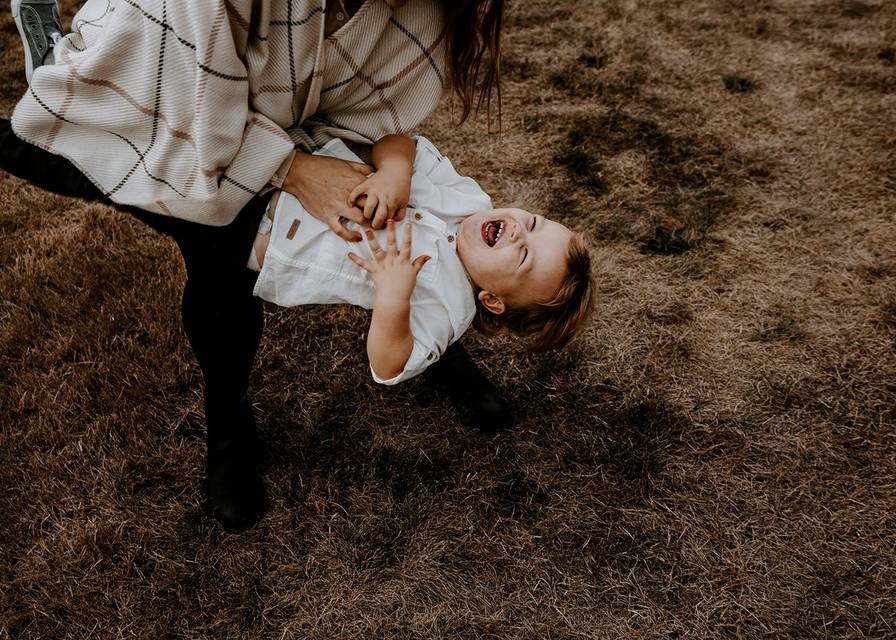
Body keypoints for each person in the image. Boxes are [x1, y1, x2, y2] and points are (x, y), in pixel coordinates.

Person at [2, 0, 510, 530]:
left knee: (399, 216)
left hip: (297, 106)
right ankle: (228, 423)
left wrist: (386, 171)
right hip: (168, 81)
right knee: (211, 238)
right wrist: (292, 167)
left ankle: (437, 333)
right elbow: (182, 100)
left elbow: (385, 118)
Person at [248, 134, 595, 385]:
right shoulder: (469, 199)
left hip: (268, 239)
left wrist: (393, 296)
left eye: (522, 256)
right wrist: (396, 170)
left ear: (491, 299)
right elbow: (402, 142)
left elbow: (388, 367)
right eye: (534, 222)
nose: (521, 231)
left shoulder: (448, 310)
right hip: (301, 160)